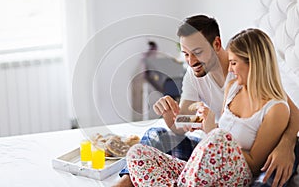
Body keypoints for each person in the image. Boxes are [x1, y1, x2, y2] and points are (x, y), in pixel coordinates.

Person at [114, 15, 299, 187]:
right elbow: (186, 121)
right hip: (208, 155)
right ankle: (127, 181)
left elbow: (291, 112)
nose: (190, 61)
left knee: (218, 138)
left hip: (228, 158)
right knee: (142, 148)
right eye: (186, 54)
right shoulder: (223, 84)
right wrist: (173, 118)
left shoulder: (262, 87)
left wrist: (287, 144)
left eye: (197, 52)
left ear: (217, 44)